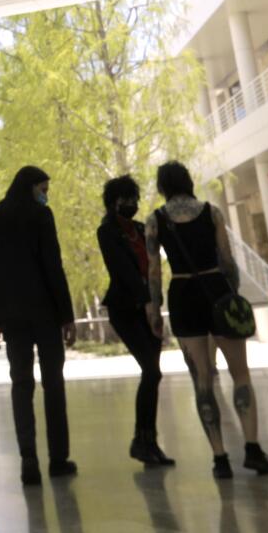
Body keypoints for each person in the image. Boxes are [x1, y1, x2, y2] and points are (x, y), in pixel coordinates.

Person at [146, 161, 268, 480]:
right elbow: (227, 259)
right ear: (188, 181)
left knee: (202, 379)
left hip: (182, 294)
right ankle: (252, 448)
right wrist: (232, 295)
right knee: (240, 373)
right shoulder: (212, 212)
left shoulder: (155, 220)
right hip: (216, 288)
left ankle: (219, 457)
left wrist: (154, 307)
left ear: (162, 187)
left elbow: (152, 269)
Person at [0, 164, 77, 485]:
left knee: (21, 385)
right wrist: (67, 316)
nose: (45, 196)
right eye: (43, 190)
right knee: (53, 384)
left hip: (11, 316)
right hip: (45, 314)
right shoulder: (40, 216)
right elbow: (53, 266)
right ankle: (58, 459)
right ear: (31, 187)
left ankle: (28, 459)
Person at [96, 175, 173, 468]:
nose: (131, 204)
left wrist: (155, 305)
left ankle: (147, 441)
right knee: (151, 372)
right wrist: (146, 304)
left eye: (134, 198)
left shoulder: (142, 229)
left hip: (150, 306)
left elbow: (155, 266)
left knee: (153, 374)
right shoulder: (107, 232)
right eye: (125, 198)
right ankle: (142, 441)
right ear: (113, 202)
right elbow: (123, 272)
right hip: (127, 309)